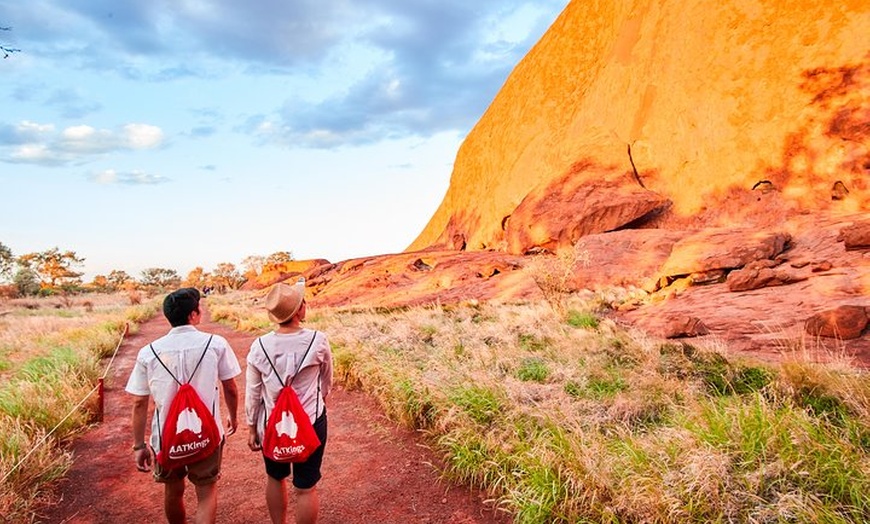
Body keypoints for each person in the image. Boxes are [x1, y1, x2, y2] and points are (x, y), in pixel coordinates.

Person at [125, 287, 241, 524]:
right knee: (206, 493)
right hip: (207, 433)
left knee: (173, 491)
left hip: (166, 438)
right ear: (194, 314)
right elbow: (230, 387)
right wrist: (233, 416)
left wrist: (138, 445)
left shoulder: (148, 353)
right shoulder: (215, 344)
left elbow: (139, 402)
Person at [246, 278, 333, 524]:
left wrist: (252, 426)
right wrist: (320, 400)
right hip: (312, 420)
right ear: (299, 310)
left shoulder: (259, 346)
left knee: (275, 477)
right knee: (306, 487)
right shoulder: (318, 340)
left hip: (272, 424)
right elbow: (327, 381)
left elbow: (253, 391)